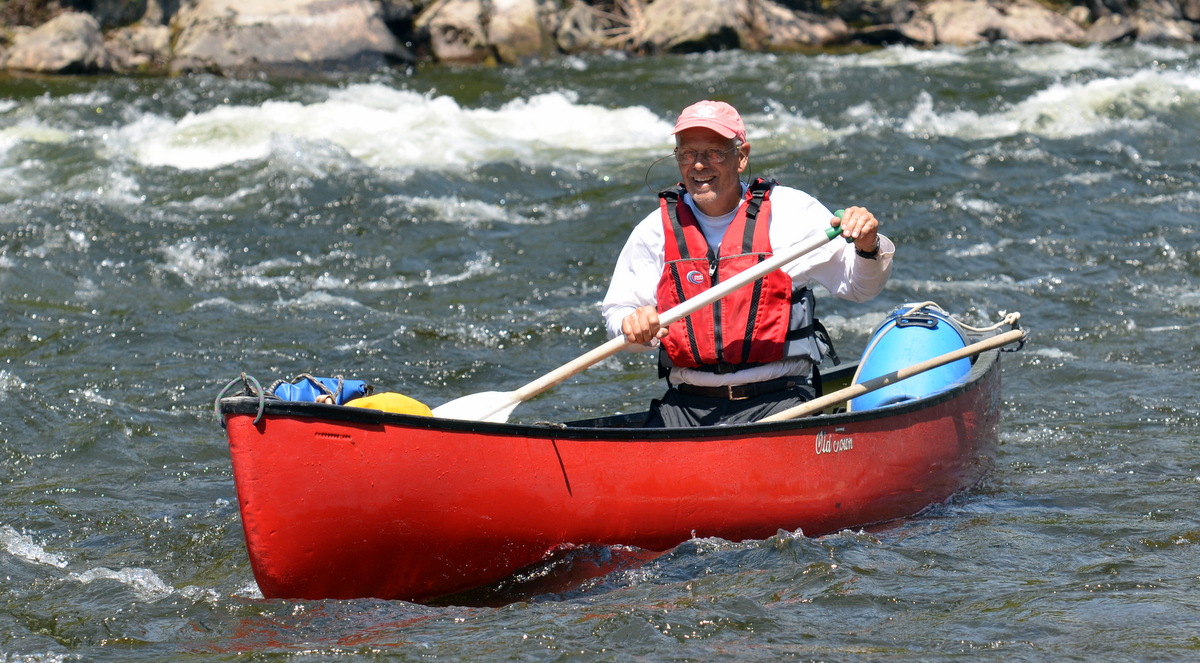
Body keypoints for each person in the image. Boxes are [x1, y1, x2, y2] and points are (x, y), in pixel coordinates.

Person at [601, 100, 894, 427]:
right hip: (685, 407)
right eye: (687, 154)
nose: (698, 166)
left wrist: (868, 246)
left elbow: (860, 288)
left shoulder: (792, 213)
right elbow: (619, 313)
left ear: (741, 157)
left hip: (779, 401)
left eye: (713, 153)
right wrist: (633, 327)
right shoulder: (654, 231)